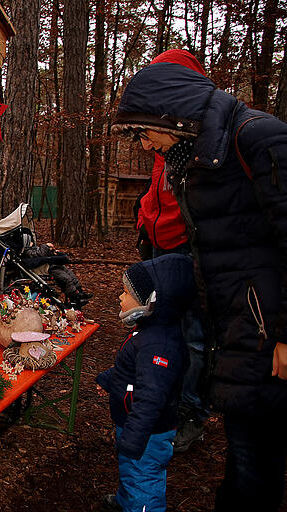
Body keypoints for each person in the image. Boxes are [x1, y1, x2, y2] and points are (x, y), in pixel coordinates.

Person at [112, 61, 287, 511]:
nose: (145, 143)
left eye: (144, 131)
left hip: (267, 332)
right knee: (246, 453)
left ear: (171, 116)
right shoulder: (197, 159)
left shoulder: (257, 138)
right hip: (235, 327)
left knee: (255, 461)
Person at [133, 49, 209, 453]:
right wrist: (145, 216)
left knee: (195, 335)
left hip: (188, 250)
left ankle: (192, 411)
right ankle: (158, 397)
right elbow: (159, 191)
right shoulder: (165, 143)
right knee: (161, 327)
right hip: (159, 244)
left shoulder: (197, 139)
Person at [96, 254, 195, 512]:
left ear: (151, 302)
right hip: (135, 427)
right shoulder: (150, 332)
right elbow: (134, 372)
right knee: (132, 472)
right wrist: (109, 379)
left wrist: (132, 438)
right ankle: (127, 500)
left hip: (147, 433)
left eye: (127, 293)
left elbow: (151, 398)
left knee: (143, 478)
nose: (120, 297)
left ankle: (140, 505)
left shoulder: (158, 346)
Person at [21, 241, 93, 304]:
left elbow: (43, 254)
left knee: (70, 274)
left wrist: (53, 252)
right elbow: (41, 255)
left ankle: (80, 292)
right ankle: (74, 297)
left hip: (51, 264)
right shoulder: (27, 252)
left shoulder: (35, 248)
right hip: (45, 268)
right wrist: (46, 246)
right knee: (66, 278)